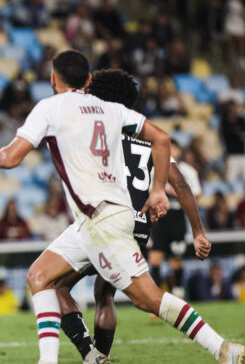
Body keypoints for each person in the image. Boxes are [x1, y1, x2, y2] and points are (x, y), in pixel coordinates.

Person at [0, 51, 245, 364]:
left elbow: (10, 158)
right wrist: (160, 191)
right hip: (100, 221)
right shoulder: (112, 113)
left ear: (53, 79)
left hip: (105, 219)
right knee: (41, 276)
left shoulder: (53, 108)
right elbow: (162, 140)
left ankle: (223, 349)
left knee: (148, 299)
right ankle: (77, 358)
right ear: (87, 80)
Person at [53, 68, 211, 362]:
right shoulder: (149, 140)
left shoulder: (100, 132)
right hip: (138, 229)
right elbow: (182, 185)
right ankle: (101, 356)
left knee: (54, 284)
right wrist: (199, 232)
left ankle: (91, 354)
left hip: (105, 224)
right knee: (105, 295)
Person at [149, 139, 203, 296]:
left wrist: (177, 193)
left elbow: (197, 196)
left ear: (180, 150)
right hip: (159, 218)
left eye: (174, 147)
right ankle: (156, 298)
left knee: (176, 260)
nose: (172, 150)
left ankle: (178, 293)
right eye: (169, 147)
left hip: (177, 218)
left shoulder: (188, 171)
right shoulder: (155, 168)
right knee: (155, 258)